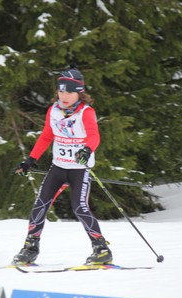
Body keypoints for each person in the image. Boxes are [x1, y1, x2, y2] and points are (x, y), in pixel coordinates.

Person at [13, 64, 112, 265]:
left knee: (80, 208)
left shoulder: (86, 112)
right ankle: (30, 247)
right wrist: (30, 160)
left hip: (79, 170)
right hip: (58, 168)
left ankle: (101, 249)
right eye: (60, 90)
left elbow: (94, 136)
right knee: (40, 205)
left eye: (69, 92)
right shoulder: (54, 110)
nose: (64, 96)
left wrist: (86, 150)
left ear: (79, 93)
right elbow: (47, 136)